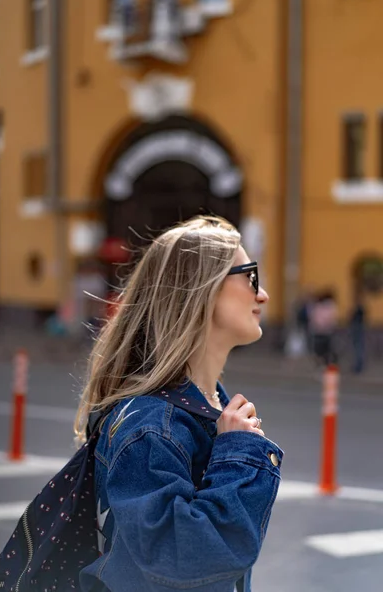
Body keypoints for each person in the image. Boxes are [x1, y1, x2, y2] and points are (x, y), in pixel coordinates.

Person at [75, 215, 283, 592]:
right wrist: (237, 454)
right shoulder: (151, 425)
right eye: (250, 275)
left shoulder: (208, 405)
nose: (263, 294)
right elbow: (182, 560)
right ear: (201, 290)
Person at [309, 289, 338, 366]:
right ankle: (327, 363)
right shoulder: (330, 306)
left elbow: (314, 317)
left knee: (319, 349)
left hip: (318, 331)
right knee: (326, 349)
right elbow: (332, 318)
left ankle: (321, 362)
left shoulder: (318, 306)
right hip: (327, 331)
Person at [349, 288, 367, 374]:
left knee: (358, 348)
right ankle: (358, 365)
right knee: (357, 348)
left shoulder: (359, 309)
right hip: (357, 329)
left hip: (358, 329)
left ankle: (358, 366)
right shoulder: (360, 308)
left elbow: (355, 318)